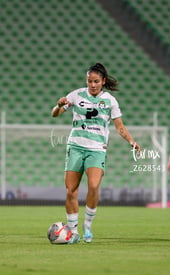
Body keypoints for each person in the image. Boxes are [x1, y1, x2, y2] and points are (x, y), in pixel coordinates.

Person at [51, 63, 140, 243]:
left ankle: (88, 225)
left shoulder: (110, 101)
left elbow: (119, 127)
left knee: (93, 186)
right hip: (75, 146)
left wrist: (131, 141)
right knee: (71, 191)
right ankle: (73, 232)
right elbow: (55, 114)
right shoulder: (76, 95)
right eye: (90, 81)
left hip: (97, 149)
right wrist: (58, 105)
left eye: (96, 81)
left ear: (103, 81)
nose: (92, 84)